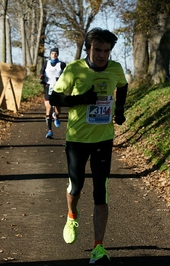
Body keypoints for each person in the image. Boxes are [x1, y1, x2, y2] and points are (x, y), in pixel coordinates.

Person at [49, 28, 128, 265]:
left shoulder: (115, 69)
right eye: (98, 50)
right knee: (76, 186)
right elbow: (55, 98)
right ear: (88, 49)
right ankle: (72, 215)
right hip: (77, 139)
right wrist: (81, 99)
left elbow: (122, 86)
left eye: (107, 51)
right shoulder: (74, 69)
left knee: (100, 191)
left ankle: (98, 248)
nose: (103, 55)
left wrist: (120, 111)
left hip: (103, 139)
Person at [39, 48, 66, 139]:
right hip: (48, 87)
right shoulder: (46, 63)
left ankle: (56, 115)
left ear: (58, 55)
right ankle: (49, 131)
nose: (54, 55)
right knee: (48, 107)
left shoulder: (61, 64)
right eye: (52, 53)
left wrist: (63, 80)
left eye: (55, 53)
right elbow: (41, 72)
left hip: (58, 88)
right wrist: (42, 77)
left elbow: (67, 75)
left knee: (58, 109)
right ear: (50, 54)